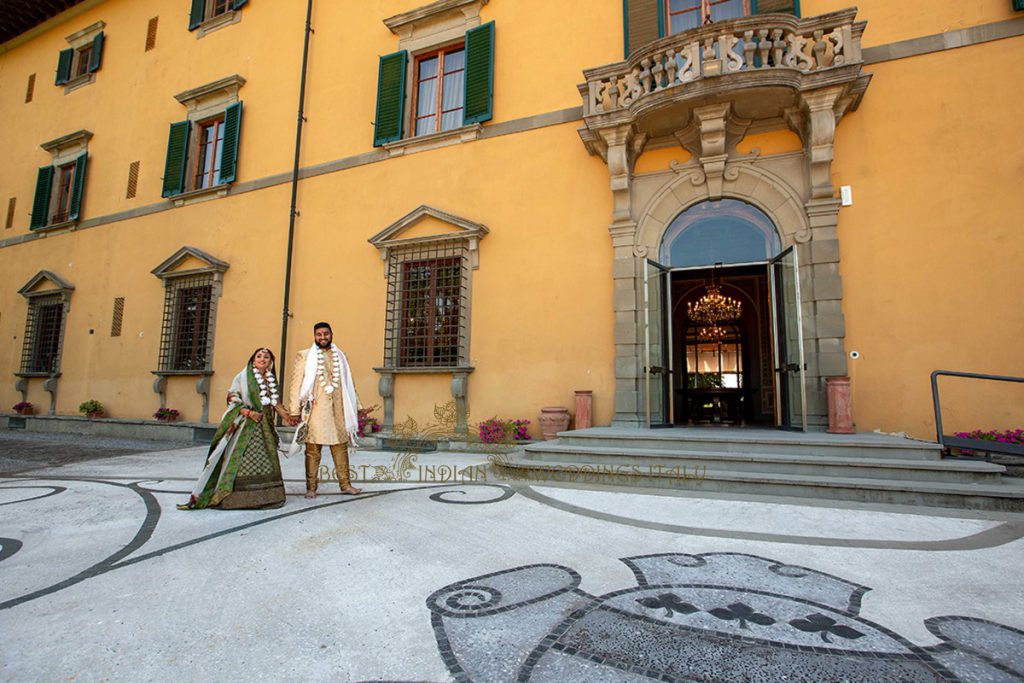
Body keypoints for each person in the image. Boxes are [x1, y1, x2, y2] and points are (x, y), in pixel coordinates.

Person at [179, 348, 290, 510]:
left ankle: (267, 497)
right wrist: (249, 412)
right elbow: (232, 397)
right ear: (253, 360)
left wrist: (289, 417)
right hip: (246, 426)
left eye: (266, 357)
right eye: (259, 356)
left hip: (265, 426)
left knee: (266, 460)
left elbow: (276, 403)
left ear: (271, 361)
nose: (262, 359)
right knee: (242, 460)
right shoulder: (243, 377)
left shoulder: (271, 379)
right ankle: (236, 498)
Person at [288, 322, 363, 498]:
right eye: (319, 334)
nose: (323, 337)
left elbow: (349, 384)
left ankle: (346, 485)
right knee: (313, 449)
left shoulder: (341, 356)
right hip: (315, 410)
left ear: (331, 334)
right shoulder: (304, 356)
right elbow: (296, 385)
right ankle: (311, 488)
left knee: (340, 447)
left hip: (338, 409)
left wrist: (358, 407)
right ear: (314, 336)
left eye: (326, 334)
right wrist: (293, 411)